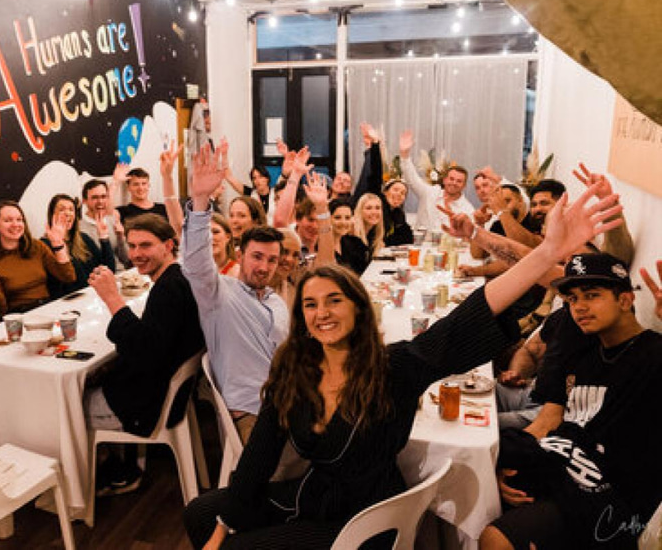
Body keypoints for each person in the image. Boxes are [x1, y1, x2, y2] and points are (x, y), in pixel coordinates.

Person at [184, 181, 623, 550]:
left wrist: (547, 254)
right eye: (311, 304)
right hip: (313, 497)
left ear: (359, 310)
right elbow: (258, 457)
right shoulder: (294, 375)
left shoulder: (393, 368)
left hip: (365, 520)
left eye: (334, 300)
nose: (322, 313)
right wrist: (223, 527)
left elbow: (468, 318)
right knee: (201, 513)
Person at [481, 252, 662, 549]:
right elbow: (557, 428)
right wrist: (509, 467)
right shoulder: (585, 356)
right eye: (573, 299)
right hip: (562, 472)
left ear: (626, 300)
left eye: (592, 295)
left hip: (611, 502)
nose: (579, 307)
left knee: (494, 538)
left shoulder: (652, 355)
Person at [84, 214, 204, 495]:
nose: (136, 254)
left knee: (65, 403)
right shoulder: (178, 279)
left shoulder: (169, 290)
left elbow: (144, 353)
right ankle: (117, 462)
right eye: (132, 246)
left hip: (146, 404)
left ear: (168, 245)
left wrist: (112, 298)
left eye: (146, 245)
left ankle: (97, 477)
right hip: (165, 392)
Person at [182, 140, 289, 444]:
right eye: (257, 257)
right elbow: (196, 262)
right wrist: (201, 201)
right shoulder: (218, 293)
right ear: (240, 254)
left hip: (289, 400)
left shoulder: (275, 301)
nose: (264, 266)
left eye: (272, 260)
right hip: (253, 411)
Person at [0, 200, 75, 316]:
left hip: (48, 308)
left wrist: (58, 244)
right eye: (8, 220)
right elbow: (1, 310)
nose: (15, 224)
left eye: (19, 220)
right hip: (19, 316)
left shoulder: (37, 247)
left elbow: (68, 277)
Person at [41, 194, 115, 299]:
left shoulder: (84, 238)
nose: (67, 213)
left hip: (93, 297)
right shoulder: (44, 245)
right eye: (62, 209)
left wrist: (104, 238)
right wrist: (59, 243)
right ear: (52, 215)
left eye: (71, 210)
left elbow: (109, 270)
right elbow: (71, 284)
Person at [399, 129, 475, 229]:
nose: (454, 183)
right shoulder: (429, 193)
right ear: (444, 180)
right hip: (420, 243)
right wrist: (404, 154)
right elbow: (411, 178)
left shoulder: (467, 209)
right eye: (451, 179)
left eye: (459, 181)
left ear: (464, 186)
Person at [80, 178, 128, 268]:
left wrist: (121, 237)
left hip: (121, 273)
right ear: (84, 200)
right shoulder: (79, 228)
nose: (100, 202)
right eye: (95, 197)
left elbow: (126, 259)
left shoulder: (113, 221)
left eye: (103, 196)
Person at [381, 178, 413, 246]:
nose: (398, 194)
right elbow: (381, 239)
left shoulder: (399, 213)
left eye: (403, 193)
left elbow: (408, 238)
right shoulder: (377, 209)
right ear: (385, 192)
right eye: (395, 190)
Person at [211, 213, 240, 278]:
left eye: (215, 232)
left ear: (228, 237)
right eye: (206, 233)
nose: (210, 237)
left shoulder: (238, 273)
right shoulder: (195, 270)